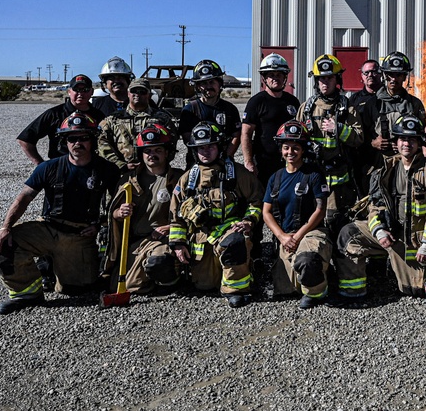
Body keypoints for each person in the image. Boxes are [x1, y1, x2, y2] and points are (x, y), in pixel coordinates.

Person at [0, 113, 121, 314]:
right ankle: (26, 293)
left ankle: (55, 267)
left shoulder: (107, 170)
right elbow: (23, 198)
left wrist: (99, 225)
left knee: (76, 290)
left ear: (93, 140)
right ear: (65, 142)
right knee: (4, 246)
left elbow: (117, 205)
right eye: (72, 138)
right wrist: (5, 228)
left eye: (83, 137)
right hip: (48, 228)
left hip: (79, 236)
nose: (78, 143)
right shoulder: (48, 167)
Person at [334, 115, 426, 300]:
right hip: (391, 234)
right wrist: (379, 230)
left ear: (419, 142)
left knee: (417, 290)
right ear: (396, 142)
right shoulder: (387, 168)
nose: (406, 144)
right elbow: (376, 205)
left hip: (416, 242)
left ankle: (408, 272)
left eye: (412, 139)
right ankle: (354, 291)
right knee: (349, 235)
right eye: (402, 139)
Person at [169, 122, 263, 307]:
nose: (205, 152)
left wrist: (248, 220)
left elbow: (257, 200)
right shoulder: (188, 179)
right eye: (200, 148)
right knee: (205, 285)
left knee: (235, 243)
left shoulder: (236, 173)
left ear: (220, 147)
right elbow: (176, 214)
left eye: (210, 146)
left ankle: (236, 289)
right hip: (201, 239)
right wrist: (179, 244)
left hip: (230, 231)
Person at [105, 124, 183, 294]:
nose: (152, 155)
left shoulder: (178, 179)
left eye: (157, 150)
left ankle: (173, 278)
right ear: (141, 153)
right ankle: (150, 277)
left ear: (167, 153)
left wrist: (170, 227)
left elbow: (190, 214)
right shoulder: (127, 180)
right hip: (136, 242)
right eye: (147, 151)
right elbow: (112, 213)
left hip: (163, 240)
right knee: (129, 287)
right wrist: (120, 212)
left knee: (159, 262)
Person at [262, 121, 332, 309]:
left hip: (310, 233)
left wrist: (298, 235)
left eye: (295, 148)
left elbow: (320, 209)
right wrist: (282, 236)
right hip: (286, 237)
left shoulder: (314, 175)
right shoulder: (275, 177)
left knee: (307, 260)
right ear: (281, 150)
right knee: (285, 288)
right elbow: (266, 212)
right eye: (286, 148)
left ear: (303, 150)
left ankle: (318, 293)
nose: (290, 152)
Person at [300, 54, 364, 228]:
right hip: (311, 177)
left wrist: (339, 129)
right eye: (321, 78)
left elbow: (359, 139)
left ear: (337, 79)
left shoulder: (347, 108)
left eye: (329, 78)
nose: (324, 82)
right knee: (310, 221)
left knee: (336, 222)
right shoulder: (306, 108)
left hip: (339, 183)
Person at [241, 53, 302, 188]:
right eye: (271, 75)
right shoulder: (256, 102)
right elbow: (246, 133)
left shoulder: (292, 101)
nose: (275, 78)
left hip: (289, 162)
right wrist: (248, 162)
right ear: (264, 78)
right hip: (264, 163)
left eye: (279, 75)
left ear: (285, 77)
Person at [16, 73, 104, 164]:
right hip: (60, 169)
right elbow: (25, 139)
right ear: (69, 91)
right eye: (76, 90)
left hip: (92, 169)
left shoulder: (99, 115)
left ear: (92, 92)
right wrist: (41, 165)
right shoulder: (54, 114)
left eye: (85, 90)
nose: (80, 93)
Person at [360, 51, 426, 170]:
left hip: (408, 164)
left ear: (405, 76)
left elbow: (422, 136)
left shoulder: (415, 104)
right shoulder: (372, 104)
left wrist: (407, 145)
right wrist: (373, 143)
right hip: (379, 164)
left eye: (398, 74)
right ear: (384, 75)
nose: (393, 79)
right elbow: (361, 135)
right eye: (390, 74)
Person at [97, 78, 176, 172]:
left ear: (149, 95)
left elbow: (171, 144)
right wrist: (120, 165)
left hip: (155, 171)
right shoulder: (113, 119)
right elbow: (102, 144)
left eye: (142, 91)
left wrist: (158, 164)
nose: (137, 94)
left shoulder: (162, 119)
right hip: (122, 172)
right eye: (134, 91)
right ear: (128, 93)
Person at [179, 59, 242, 164]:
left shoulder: (230, 109)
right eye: (204, 83)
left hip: (224, 161)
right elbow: (187, 138)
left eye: (212, 82)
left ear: (219, 84)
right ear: (198, 86)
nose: (208, 86)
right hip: (196, 162)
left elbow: (236, 136)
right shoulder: (189, 110)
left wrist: (226, 157)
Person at [348, 58, 383, 192]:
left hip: (386, 155)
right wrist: (371, 142)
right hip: (362, 157)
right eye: (366, 73)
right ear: (361, 76)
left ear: (380, 74)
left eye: (374, 72)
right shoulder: (354, 100)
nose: (370, 75)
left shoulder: (389, 98)